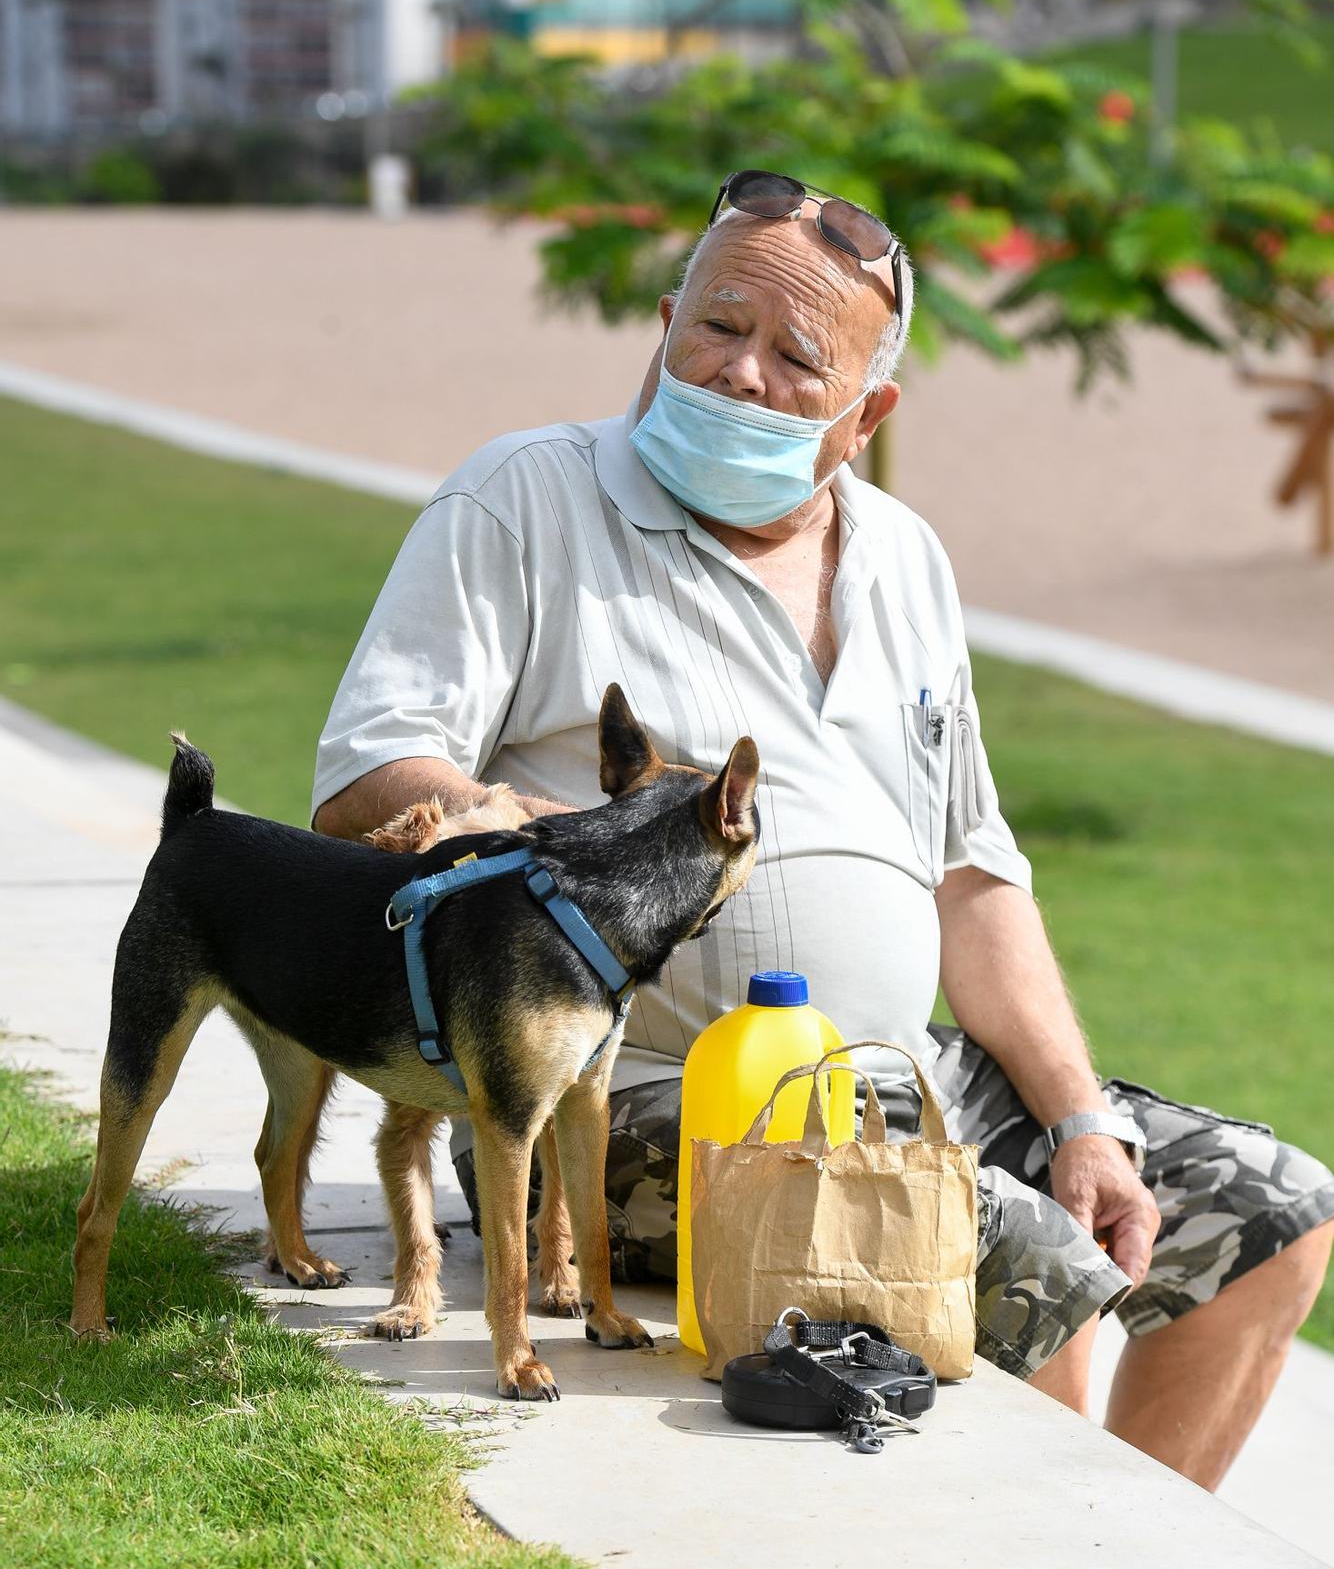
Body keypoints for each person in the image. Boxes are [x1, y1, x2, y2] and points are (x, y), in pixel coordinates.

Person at [312, 169, 1334, 1489]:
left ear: (867, 415)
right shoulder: (526, 497)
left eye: (797, 357)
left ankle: (1136, 1561)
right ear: (665, 322)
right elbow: (363, 778)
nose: (739, 374)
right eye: (718, 328)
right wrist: (572, 839)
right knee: (1028, 1257)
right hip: (615, 1097)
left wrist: (1082, 1120)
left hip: (891, 1075)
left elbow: (972, 875)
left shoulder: (903, 557)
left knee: (1271, 1215)